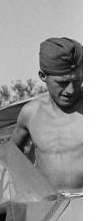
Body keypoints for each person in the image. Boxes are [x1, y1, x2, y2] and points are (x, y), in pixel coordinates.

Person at [12, 37, 83, 191]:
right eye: (62, 83)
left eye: (78, 81)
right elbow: (9, 159)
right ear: (43, 76)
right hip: (49, 209)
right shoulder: (30, 114)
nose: (70, 90)